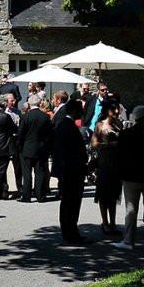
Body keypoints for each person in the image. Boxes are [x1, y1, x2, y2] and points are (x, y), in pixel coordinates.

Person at [113, 105, 144, 250]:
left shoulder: (125, 134)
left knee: (130, 210)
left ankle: (128, 240)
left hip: (130, 176)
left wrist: (120, 173)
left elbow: (119, 156)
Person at [55, 100, 89, 245]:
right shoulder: (67, 126)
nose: (82, 113)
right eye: (80, 110)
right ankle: (70, 232)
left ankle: (70, 231)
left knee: (70, 203)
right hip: (71, 171)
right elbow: (68, 151)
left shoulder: (66, 125)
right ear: (74, 111)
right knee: (71, 203)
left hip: (71, 170)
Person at [90, 97, 123, 236]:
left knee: (114, 194)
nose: (116, 111)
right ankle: (105, 223)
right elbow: (93, 144)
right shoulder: (100, 125)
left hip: (116, 163)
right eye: (113, 109)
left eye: (117, 109)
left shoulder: (119, 125)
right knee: (103, 194)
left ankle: (113, 223)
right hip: (104, 162)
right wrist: (108, 145)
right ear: (107, 110)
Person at [18, 94, 53, 203]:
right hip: (41, 148)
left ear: (29, 104)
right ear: (39, 103)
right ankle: (40, 195)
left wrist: (19, 146)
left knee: (27, 173)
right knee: (40, 172)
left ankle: (26, 195)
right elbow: (49, 134)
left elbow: (21, 134)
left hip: (27, 148)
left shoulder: (25, 117)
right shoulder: (45, 117)